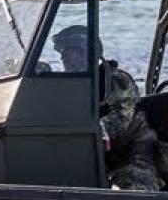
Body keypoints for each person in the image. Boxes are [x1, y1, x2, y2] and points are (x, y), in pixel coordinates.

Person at [53, 25, 160, 191]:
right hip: (95, 161)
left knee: (127, 191)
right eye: (63, 54)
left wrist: (80, 129)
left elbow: (119, 122)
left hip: (131, 161)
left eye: (68, 52)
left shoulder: (115, 81)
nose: (63, 59)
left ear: (86, 54)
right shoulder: (72, 87)